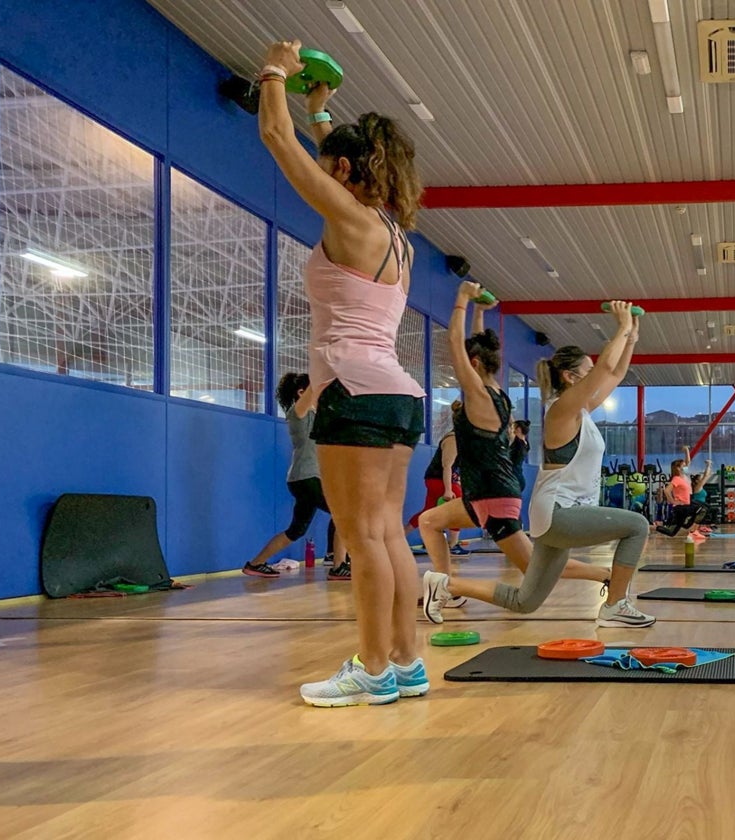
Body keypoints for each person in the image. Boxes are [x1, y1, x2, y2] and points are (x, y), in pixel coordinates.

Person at [259, 41, 427, 706]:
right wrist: (321, 111)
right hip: (397, 396)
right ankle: (407, 666)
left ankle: (373, 668)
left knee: (361, 539)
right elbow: (342, 156)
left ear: (345, 172)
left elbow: (275, 134)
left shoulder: (350, 219)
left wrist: (274, 70)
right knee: (388, 534)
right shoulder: (394, 233)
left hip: (354, 394)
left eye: (331, 165)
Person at [423, 301, 655, 628]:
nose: (594, 379)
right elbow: (605, 369)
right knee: (637, 525)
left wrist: (631, 337)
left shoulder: (582, 411)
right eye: (586, 373)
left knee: (526, 601)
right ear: (570, 376)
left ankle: (446, 585)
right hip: (560, 513)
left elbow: (614, 373)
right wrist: (620, 327)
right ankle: (615, 606)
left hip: (555, 516)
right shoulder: (560, 410)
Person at [242, 373, 348, 579]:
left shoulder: (316, 415)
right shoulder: (298, 411)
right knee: (344, 515)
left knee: (296, 530)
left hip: (304, 479)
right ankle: (339, 566)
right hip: (307, 478)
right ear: (302, 392)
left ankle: (255, 564)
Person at [406, 428, 466, 556]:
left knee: (427, 511)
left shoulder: (462, 440)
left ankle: (401, 536)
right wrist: (448, 489)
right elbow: (447, 466)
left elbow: (456, 468)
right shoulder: (453, 439)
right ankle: (453, 545)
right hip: (439, 480)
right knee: (459, 508)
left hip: (439, 479)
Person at [510, 419, 531, 490]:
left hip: (514, 477)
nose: (512, 429)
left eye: (513, 427)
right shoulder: (526, 444)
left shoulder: (518, 443)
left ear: (518, 429)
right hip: (518, 477)